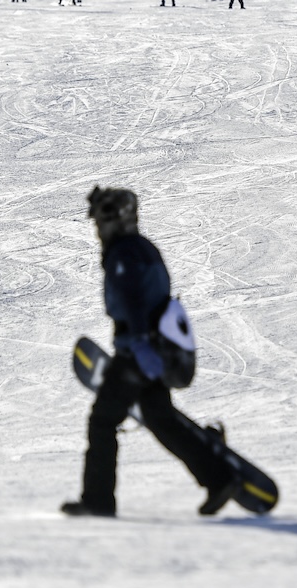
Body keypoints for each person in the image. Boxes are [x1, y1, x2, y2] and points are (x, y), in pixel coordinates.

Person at [61, 187, 239, 519]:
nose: (98, 228)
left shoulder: (124, 254)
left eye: (102, 220)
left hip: (138, 352)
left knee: (102, 421)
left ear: (119, 220)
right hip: (154, 350)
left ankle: (98, 501)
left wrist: (140, 343)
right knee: (160, 419)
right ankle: (218, 477)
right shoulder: (142, 248)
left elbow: (133, 300)